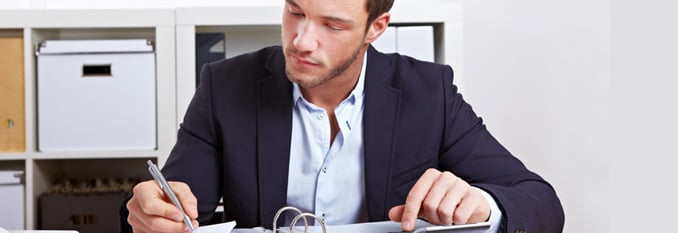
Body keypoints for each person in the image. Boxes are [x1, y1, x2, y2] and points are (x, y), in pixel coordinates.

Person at [122, 0, 565, 232]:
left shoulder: (429, 93)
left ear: (377, 26)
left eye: (332, 25)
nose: (301, 40)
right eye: (294, 11)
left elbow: (542, 204)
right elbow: (165, 211)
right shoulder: (225, 87)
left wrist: (484, 206)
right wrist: (149, 215)